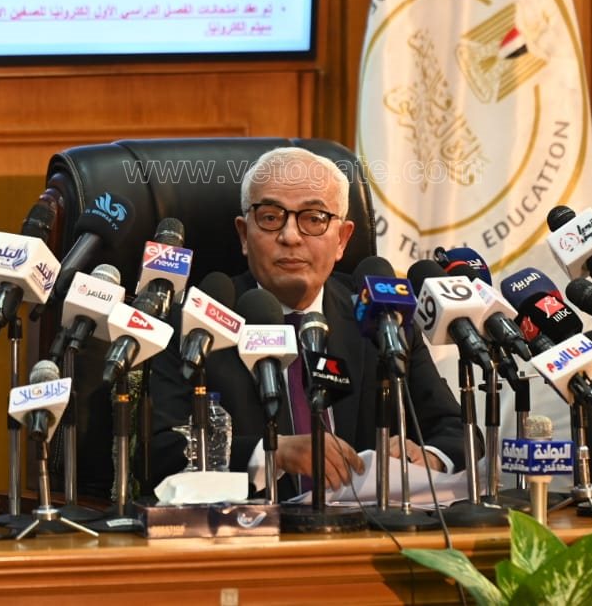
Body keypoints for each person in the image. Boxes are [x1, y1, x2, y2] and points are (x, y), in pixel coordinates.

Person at [150, 147, 472, 497]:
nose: (290, 236)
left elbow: (456, 430)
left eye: (314, 218)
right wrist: (273, 452)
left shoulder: (383, 316)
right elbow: (162, 452)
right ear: (244, 235)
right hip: (249, 526)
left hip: (364, 524)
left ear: (343, 239)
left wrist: (428, 456)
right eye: (270, 217)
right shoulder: (196, 324)